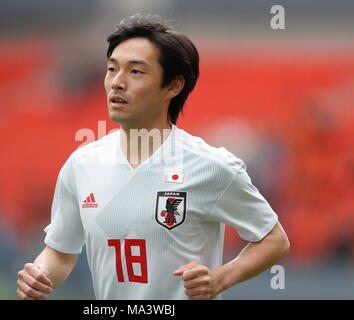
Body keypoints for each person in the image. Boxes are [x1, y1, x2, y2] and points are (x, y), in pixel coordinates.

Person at [16, 14, 290, 300]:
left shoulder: (211, 166)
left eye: (136, 72)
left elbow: (274, 240)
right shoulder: (82, 165)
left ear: (173, 86)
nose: (117, 83)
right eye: (112, 69)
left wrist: (220, 278)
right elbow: (60, 252)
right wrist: (40, 273)